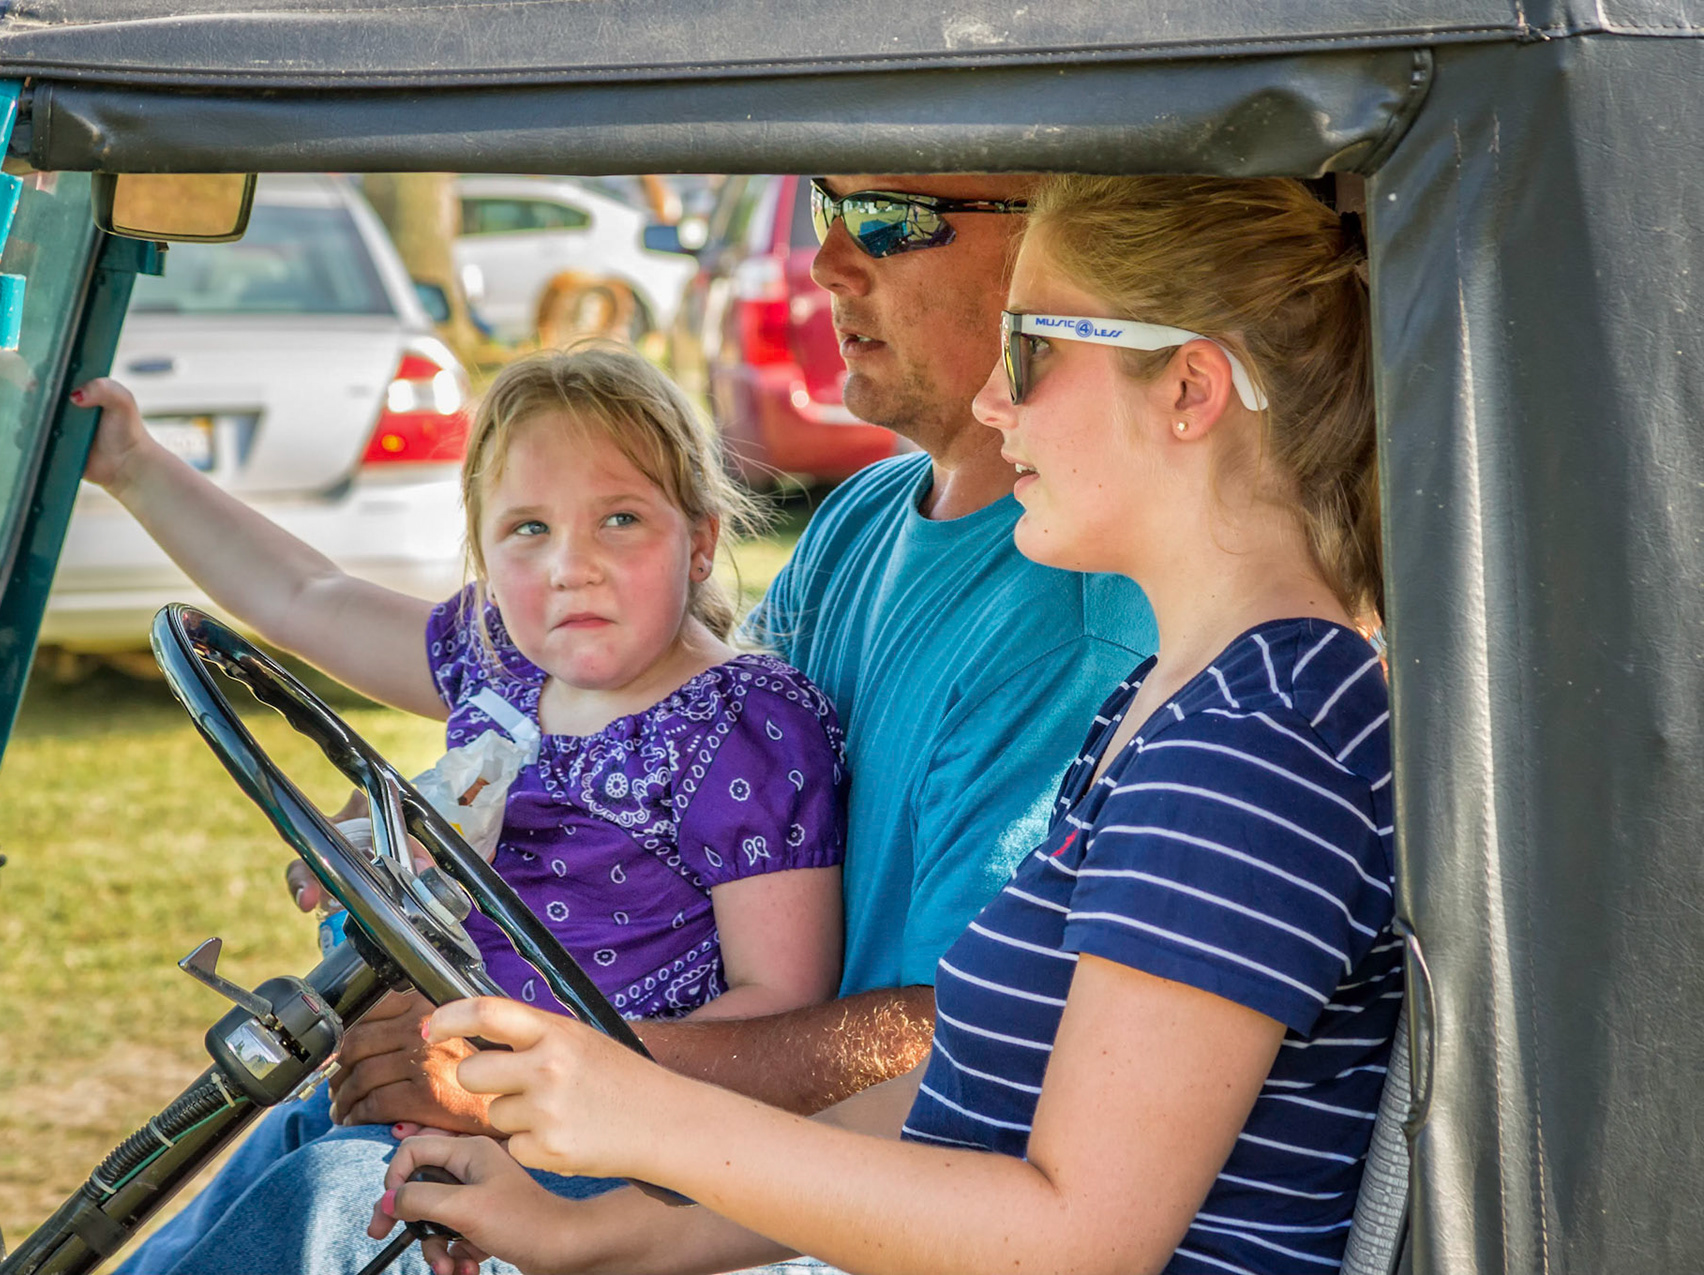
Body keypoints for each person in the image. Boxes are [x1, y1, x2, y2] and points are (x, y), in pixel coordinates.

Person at [115, 175, 1156, 1275]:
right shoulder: (864, 517)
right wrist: (419, 824)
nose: (828, 265)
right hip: (595, 1116)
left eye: (891, 219)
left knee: (327, 1211)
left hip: (777, 1198)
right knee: (259, 1169)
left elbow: (962, 1043)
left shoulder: (1069, 629)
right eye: (823, 209)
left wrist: (507, 1073)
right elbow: (620, 765)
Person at [374, 173, 1398, 1275]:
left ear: (1189, 389)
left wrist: (637, 1105)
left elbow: (1078, 1238)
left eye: (1034, 353)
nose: (998, 408)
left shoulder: (1254, 745)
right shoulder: (1183, 708)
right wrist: (587, 1231)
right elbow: (956, 1102)